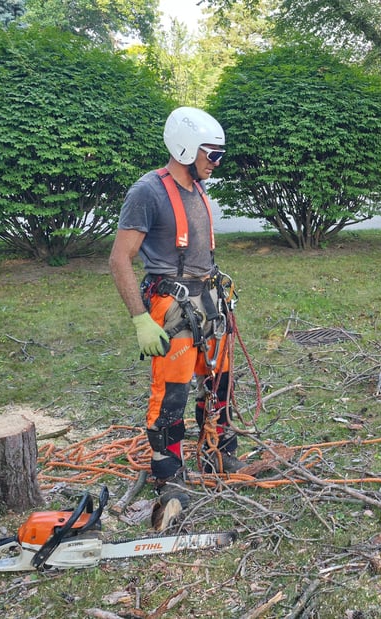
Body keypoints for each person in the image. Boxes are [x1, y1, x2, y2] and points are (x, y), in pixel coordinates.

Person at [109, 107, 245, 516]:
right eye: (212, 155)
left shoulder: (197, 188)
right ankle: (168, 474)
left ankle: (216, 453)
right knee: (172, 393)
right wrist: (139, 320)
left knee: (219, 383)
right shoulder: (147, 192)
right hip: (172, 307)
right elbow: (120, 259)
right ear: (185, 148)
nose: (216, 164)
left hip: (209, 301)